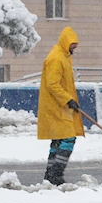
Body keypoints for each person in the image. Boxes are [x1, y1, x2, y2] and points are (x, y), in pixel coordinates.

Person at [37, 26, 85, 185]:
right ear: (66, 42)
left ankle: (50, 175)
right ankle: (56, 174)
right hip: (56, 107)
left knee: (58, 140)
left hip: (60, 106)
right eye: (73, 44)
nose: (75, 47)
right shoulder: (56, 58)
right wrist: (67, 99)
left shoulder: (64, 56)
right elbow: (53, 84)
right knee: (68, 138)